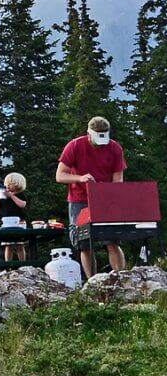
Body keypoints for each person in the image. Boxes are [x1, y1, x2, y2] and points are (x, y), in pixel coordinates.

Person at [56, 116, 127, 279]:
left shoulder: (115, 148)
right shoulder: (74, 146)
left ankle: (121, 278)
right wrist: (79, 178)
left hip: (105, 200)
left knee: (112, 241)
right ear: (89, 133)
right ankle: (92, 281)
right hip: (79, 199)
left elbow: (118, 179)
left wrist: (111, 195)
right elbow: (60, 176)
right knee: (84, 244)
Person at [0, 172, 28, 261]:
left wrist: (11, 196)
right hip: (7, 222)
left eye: (10, 184)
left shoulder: (20, 195)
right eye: (7, 184)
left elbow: (22, 204)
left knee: (19, 244)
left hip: (19, 222)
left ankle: (22, 264)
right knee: (8, 245)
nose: (7, 186)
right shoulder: (3, 197)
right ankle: (8, 265)